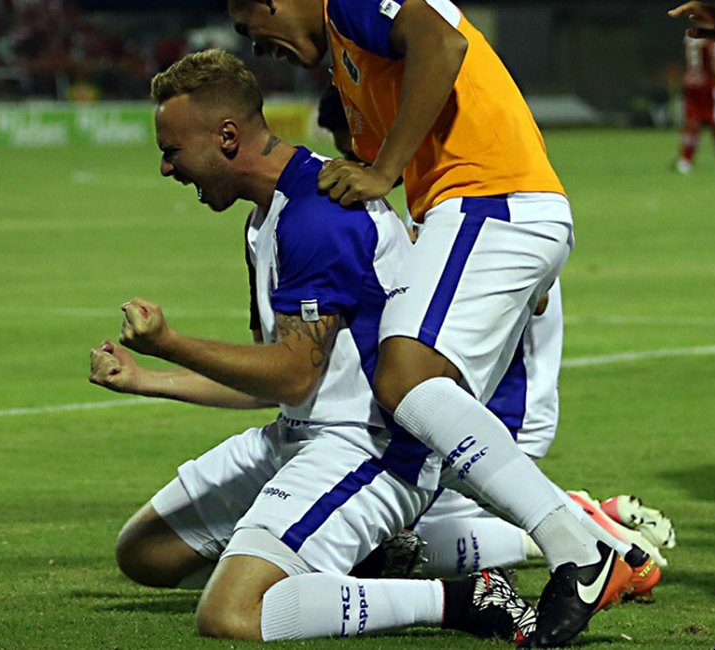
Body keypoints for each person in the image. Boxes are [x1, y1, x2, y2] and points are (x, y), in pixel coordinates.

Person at [225, 1, 656, 645]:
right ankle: (581, 539)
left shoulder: (346, 3)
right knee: (423, 412)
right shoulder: (351, 60)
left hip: (489, 197)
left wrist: (382, 170)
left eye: (246, 25)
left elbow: (442, 45)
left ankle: (578, 547)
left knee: (403, 378)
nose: (255, 45)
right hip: (486, 211)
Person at [89, 49, 536, 644]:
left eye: (171, 151)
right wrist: (145, 378)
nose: (168, 169)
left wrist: (170, 343)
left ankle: (462, 599)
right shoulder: (266, 217)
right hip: (301, 434)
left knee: (230, 614)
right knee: (146, 552)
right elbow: (265, 380)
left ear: (226, 136)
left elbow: (292, 377)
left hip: (369, 445)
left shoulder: (317, 213)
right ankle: (327, 563)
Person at [315, 86, 675, 585]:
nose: (350, 162)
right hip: (467, 414)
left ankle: (585, 532)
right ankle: (581, 518)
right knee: (363, 525)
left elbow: (538, 297)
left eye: (356, 146)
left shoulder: (458, 208)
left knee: (371, 541)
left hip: (503, 416)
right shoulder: (436, 207)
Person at [674, 34, 715, 174]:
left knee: (692, 122)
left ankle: (685, 160)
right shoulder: (713, 37)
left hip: (691, 83)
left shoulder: (690, 36)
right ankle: (686, 160)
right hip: (709, 84)